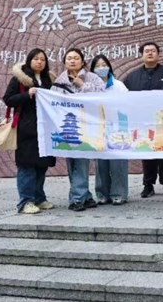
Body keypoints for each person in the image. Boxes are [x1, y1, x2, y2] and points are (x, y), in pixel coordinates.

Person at [3, 48, 57, 214]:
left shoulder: (49, 79)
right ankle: (25, 202)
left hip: (45, 128)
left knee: (41, 165)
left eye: (43, 59)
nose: (40, 62)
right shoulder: (19, 79)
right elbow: (8, 99)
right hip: (26, 129)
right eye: (36, 59)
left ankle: (39, 198)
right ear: (29, 60)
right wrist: (27, 94)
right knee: (26, 165)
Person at [51, 47, 105, 212]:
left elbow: (102, 95)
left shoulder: (92, 77)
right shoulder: (59, 81)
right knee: (73, 162)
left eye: (76, 58)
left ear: (82, 61)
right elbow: (53, 102)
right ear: (64, 62)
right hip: (67, 126)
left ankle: (77, 198)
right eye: (69, 58)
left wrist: (83, 86)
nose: (72, 61)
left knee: (81, 160)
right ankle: (85, 196)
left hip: (87, 126)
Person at [123, 42, 163, 198]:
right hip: (143, 123)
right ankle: (148, 185)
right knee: (146, 152)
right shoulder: (132, 77)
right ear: (141, 55)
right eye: (146, 51)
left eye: (153, 51)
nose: (150, 53)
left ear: (158, 54)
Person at [89, 54, 129, 206]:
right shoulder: (89, 86)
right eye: (97, 66)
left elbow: (127, 105)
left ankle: (119, 193)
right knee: (100, 164)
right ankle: (102, 193)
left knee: (118, 162)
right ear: (92, 70)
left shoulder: (118, 86)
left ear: (109, 67)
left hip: (117, 128)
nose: (101, 68)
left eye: (104, 65)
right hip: (98, 129)